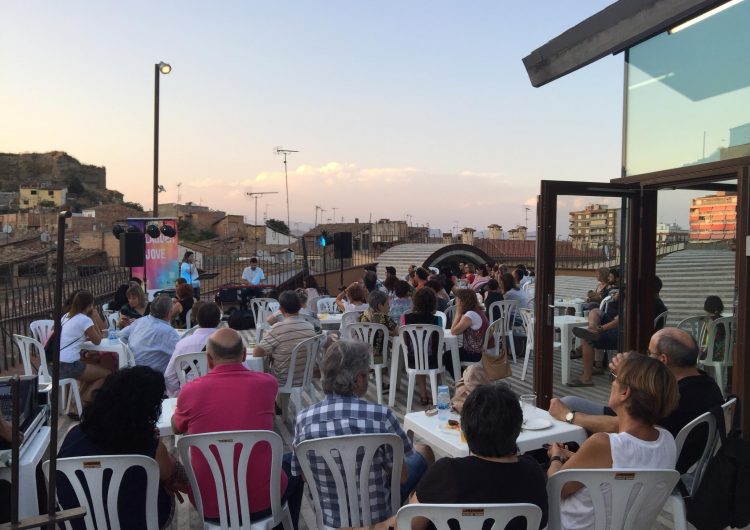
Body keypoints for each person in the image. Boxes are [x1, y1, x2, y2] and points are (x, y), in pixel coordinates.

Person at [291, 341, 434, 529]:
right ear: (358, 380)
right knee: (425, 452)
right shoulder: (381, 416)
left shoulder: (303, 419)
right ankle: (409, 520)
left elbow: (304, 476)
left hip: (331, 521)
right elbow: (401, 477)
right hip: (378, 517)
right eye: (368, 373)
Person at [172, 328, 302, 528]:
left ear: (209, 358)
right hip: (266, 503)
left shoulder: (190, 391)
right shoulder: (267, 384)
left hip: (210, 507)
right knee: (294, 463)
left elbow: (176, 427)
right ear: (243, 355)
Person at [373, 385, 548, 530]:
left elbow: (404, 526)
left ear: (464, 430)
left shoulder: (447, 473)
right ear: (517, 430)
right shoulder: (533, 472)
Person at [549, 327, 723, 473]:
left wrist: (569, 416)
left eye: (649, 353)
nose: (645, 358)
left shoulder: (674, 396)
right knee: (570, 402)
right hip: (667, 455)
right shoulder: (706, 384)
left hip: (647, 462)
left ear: (663, 360)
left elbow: (622, 424)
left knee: (569, 404)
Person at [547, 354, 678, 530]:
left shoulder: (603, 444)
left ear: (625, 393)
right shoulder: (667, 440)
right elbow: (623, 466)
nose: (612, 383)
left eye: (614, 378)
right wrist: (574, 456)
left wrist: (555, 456)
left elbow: (557, 488)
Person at [58, 367, 182, 529]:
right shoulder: (149, 444)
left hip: (78, 522)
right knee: (166, 480)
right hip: (134, 522)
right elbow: (168, 473)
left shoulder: (74, 433)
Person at [58, 290, 112, 408]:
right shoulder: (84, 319)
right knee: (107, 374)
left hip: (55, 363)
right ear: (89, 306)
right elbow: (98, 340)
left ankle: (76, 404)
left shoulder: (66, 316)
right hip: (69, 366)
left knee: (91, 370)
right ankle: (81, 405)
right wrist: (92, 317)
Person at [253, 290, 317, 387]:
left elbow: (256, 353)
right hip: (305, 377)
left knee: (260, 370)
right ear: (300, 306)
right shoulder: (309, 326)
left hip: (282, 379)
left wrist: (271, 352)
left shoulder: (278, 328)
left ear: (281, 310)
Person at [163, 302, 222, 397]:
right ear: (219, 320)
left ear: (197, 319)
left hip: (190, 395)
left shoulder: (182, 344)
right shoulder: (227, 343)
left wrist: (178, 395)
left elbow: (169, 376)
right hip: (220, 395)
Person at [401, 287, 442, 406]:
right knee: (438, 359)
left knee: (419, 358)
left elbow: (404, 339)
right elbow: (439, 340)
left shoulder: (406, 318)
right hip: (433, 360)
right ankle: (436, 393)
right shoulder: (437, 320)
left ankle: (423, 395)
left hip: (413, 360)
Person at [120, 295, 180, 373]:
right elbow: (181, 354)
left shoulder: (139, 321)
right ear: (169, 313)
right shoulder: (168, 332)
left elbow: (121, 335)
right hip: (155, 375)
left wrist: (131, 350)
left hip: (133, 371)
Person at [446, 289, 490, 379]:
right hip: (482, 348)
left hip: (475, 353)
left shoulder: (470, 315)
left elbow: (453, 331)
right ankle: (466, 378)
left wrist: (458, 313)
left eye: (457, 301)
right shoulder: (477, 310)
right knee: (451, 354)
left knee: (447, 357)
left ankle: (463, 381)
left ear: (462, 301)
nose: (456, 303)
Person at [360, 290, 398, 365]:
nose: (389, 306)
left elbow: (374, 331)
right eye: (387, 304)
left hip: (364, 358)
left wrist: (387, 332)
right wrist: (390, 333)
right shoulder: (385, 318)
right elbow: (398, 332)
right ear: (380, 306)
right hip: (380, 359)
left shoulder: (364, 316)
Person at [702, 295, 725, 359]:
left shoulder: (711, 321)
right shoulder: (726, 321)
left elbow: (709, 340)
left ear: (707, 308)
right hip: (725, 354)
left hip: (713, 354)